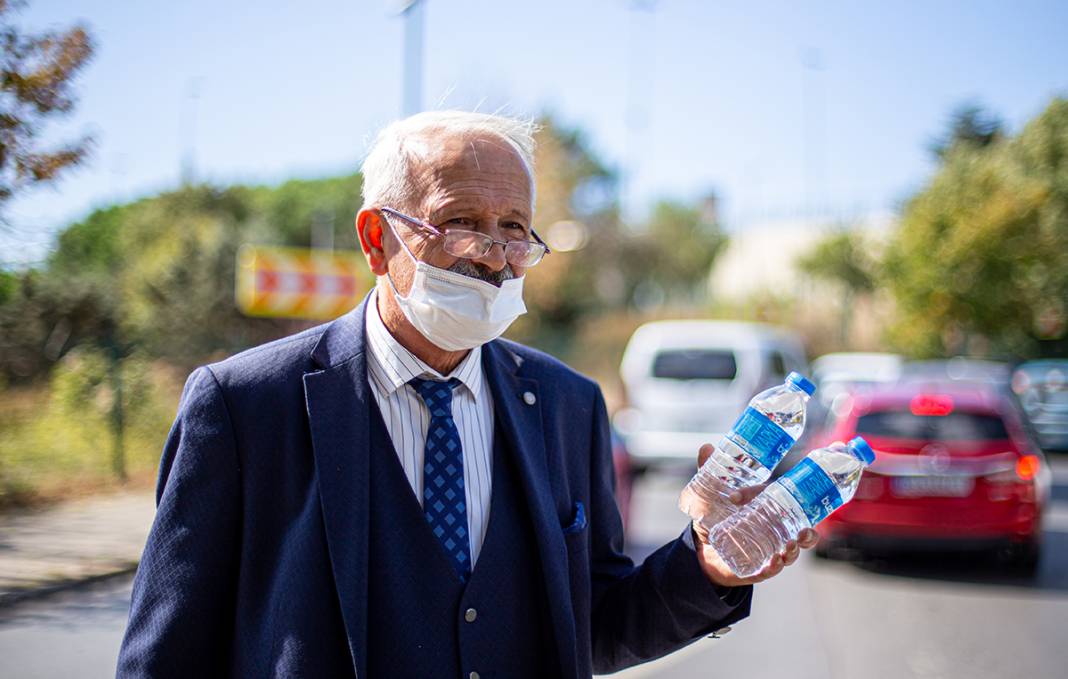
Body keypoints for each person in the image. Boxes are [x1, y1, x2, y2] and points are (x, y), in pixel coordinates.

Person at [116, 110, 818, 678]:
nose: (490, 252)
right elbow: (168, 656)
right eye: (459, 221)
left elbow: (594, 624)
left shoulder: (567, 405)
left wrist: (707, 564)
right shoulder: (244, 407)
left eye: (513, 228)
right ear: (375, 237)